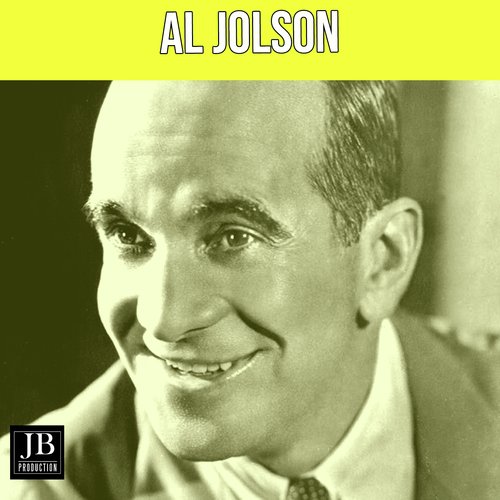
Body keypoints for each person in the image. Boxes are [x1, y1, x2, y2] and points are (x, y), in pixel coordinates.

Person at [1, 81, 499, 499]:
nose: (162, 319)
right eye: (129, 237)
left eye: (232, 237)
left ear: (383, 260)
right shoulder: (36, 481)